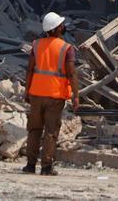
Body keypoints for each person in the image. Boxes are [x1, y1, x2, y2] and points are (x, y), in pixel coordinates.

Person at [23, 11, 78, 175]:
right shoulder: (66, 48)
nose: (63, 26)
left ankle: (30, 165)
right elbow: (72, 73)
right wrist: (76, 95)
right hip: (55, 96)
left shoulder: (36, 45)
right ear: (58, 28)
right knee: (51, 131)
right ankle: (46, 167)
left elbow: (30, 69)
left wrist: (27, 91)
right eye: (61, 24)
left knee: (34, 129)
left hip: (36, 94)